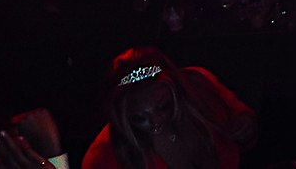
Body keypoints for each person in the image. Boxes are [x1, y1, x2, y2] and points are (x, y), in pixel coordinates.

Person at [78, 48, 256, 169]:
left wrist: (245, 121)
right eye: (140, 117)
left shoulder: (199, 83)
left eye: (164, 106)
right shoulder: (103, 157)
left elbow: (241, 113)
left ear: (177, 90)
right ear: (122, 116)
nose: (156, 122)